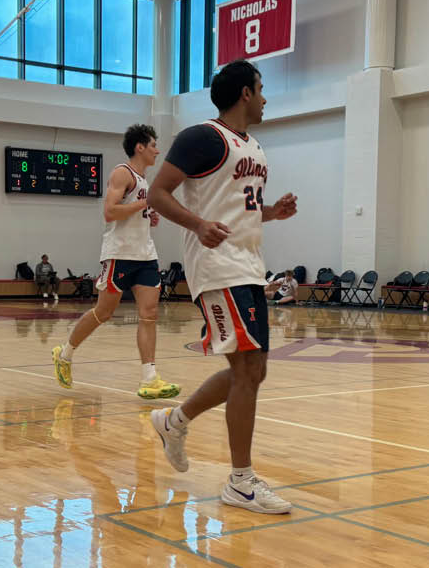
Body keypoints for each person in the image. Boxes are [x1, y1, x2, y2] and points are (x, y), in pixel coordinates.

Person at [147, 60, 299, 514]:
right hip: (217, 267)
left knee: (251, 373)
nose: (267, 97)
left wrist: (271, 212)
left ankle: (174, 420)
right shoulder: (202, 137)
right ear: (246, 94)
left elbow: (238, 208)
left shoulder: (254, 146)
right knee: (248, 371)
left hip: (250, 265)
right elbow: (157, 194)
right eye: (262, 88)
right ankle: (240, 482)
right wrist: (196, 224)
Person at [52, 124, 180, 400]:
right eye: (154, 145)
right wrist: (143, 206)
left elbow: (134, 211)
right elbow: (110, 212)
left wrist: (149, 216)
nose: (158, 150)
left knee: (150, 314)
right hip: (119, 254)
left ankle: (150, 378)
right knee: (104, 313)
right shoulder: (123, 173)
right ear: (140, 147)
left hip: (145, 255)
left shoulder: (145, 180)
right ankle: (65, 354)